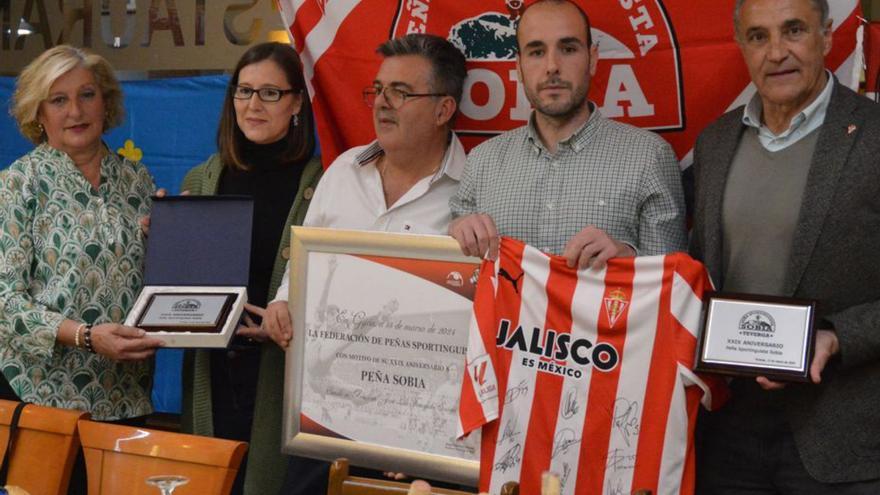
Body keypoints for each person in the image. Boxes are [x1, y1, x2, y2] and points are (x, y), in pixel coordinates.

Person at [260, 33, 468, 495]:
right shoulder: (342, 171)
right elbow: (304, 265)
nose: (383, 104)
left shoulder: (472, 191)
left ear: (443, 109)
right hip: (323, 418)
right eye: (379, 90)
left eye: (402, 92)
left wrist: (417, 435)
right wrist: (281, 303)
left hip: (418, 435)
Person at [690, 0, 880, 492]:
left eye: (793, 30)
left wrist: (837, 337)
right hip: (728, 427)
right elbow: (692, 269)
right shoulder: (715, 143)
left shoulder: (874, 138)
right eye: (758, 36)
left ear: (827, 36)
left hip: (840, 433)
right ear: (742, 47)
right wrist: (628, 256)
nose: (777, 52)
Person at [0, 44, 164, 493]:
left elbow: (158, 285)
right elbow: (4, 302)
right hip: (40, 397)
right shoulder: (18, 184)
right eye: (58, 99)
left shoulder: (138, 181)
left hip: (124, 393)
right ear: (39, 114)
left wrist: (173, 242)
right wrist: (87, 336)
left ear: (106, 102)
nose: (75, 110)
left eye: (87, 94)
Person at [177, 42, 323, 495]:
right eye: (243, 91)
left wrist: (286, 325)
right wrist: (165, 240)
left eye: (270, 94)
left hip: (280, 378)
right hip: (213, 376)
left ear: (298, 101)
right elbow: (182, 292)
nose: (253, 105)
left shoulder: (323, 183)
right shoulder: (201, 180)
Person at [449, 0, 686, 265]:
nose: (552, 66)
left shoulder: (649, 156)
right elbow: (456, 273)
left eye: (568, 49)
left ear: (593, 59)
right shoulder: (482, 162)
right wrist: (455, 235)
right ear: (518, 66)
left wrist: (628, 258)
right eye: (536, 52)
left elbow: (673, 281)